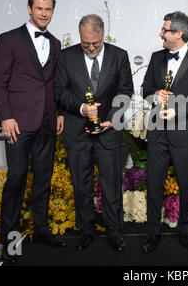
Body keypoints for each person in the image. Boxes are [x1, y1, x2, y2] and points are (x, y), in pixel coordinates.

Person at [0, 0, 65, 264]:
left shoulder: (56, 43)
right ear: (29, 8)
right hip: (17, 123)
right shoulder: (8, 40)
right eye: (39, 8)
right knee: (16, 179)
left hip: (47, 121)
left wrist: (57, 113)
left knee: (43, 179)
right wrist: (5, 117)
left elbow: (54, 83)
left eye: (48, 9)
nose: (44, 13)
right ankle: (9, 242)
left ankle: (42, 230)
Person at [54, 14, 134, 252]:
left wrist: (111, 119)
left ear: (102, 35)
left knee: (111, 185)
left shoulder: (119, 55)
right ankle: (86, 230)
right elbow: (59, 90)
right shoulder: (66, 57)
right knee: (81, 184)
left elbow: (125, 91)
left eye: (95, 43)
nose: (90, 47)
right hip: (77, 132)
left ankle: (114, 232)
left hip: (108, 133)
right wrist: (81, 108)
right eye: (85, 43)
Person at [141, 11, 188, 253]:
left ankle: (185, 229)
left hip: (184, 135)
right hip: (157, 134)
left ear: (179, 34)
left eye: (165, 30)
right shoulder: (155, 57)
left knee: (185, 185)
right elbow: (145, 89)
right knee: (154, 184)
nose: (161, 33)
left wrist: (177, 111)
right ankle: (152, 233)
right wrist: (155, 95)